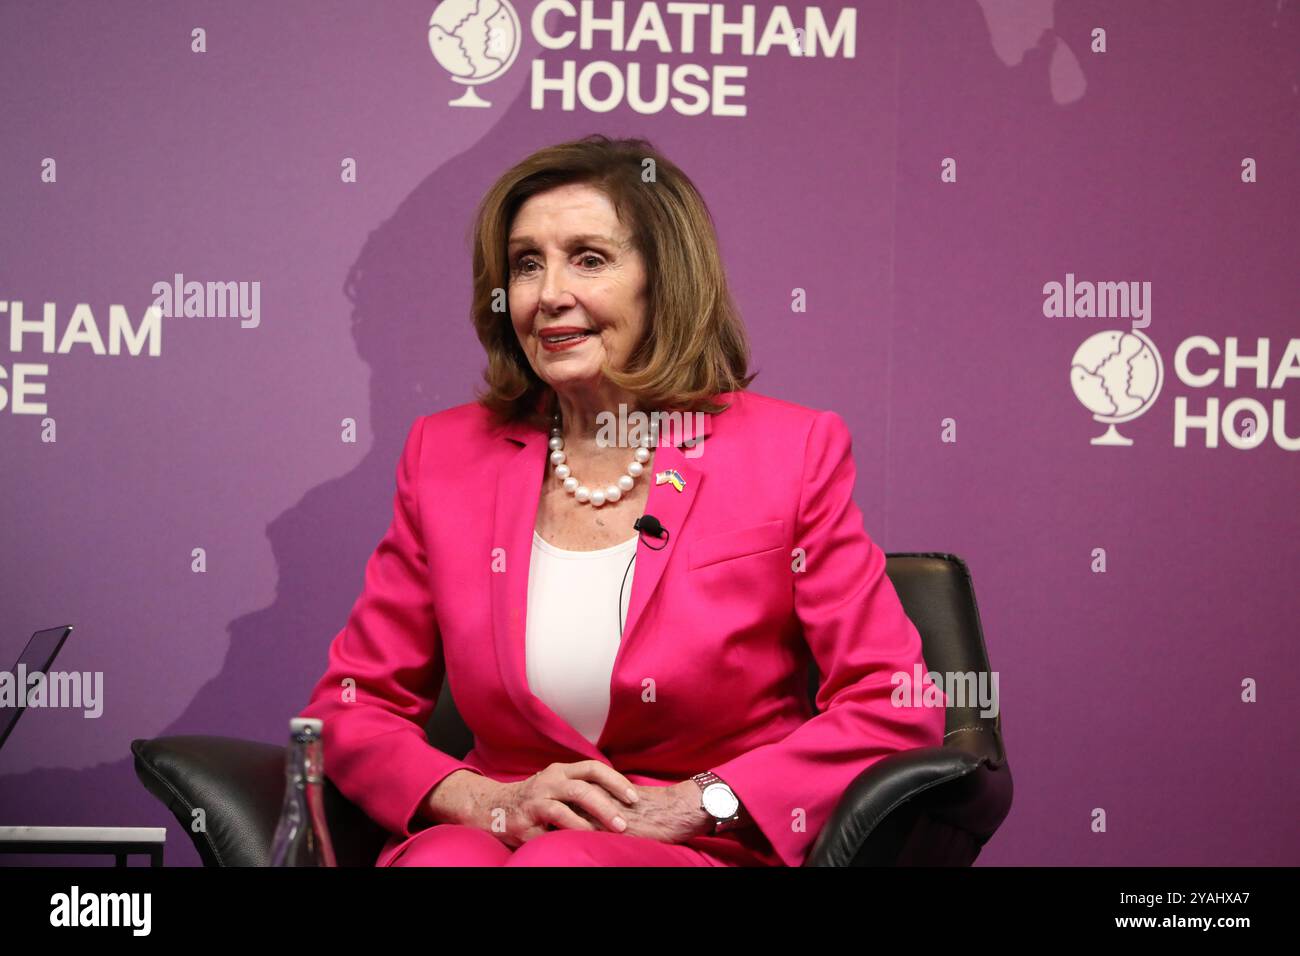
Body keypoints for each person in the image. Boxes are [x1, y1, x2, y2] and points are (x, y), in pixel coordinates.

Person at [297, 134, 947, 867]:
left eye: (590, 259)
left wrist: (703, 802)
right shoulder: (443, 456)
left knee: (563, 864)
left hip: (695, 849)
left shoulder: (791, 452)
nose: (549, 296)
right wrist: (483, 799)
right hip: (501, 838)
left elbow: (892, 704)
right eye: (526, 264)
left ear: (664, 281)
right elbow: (351, 708)